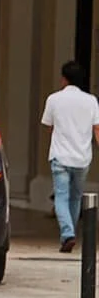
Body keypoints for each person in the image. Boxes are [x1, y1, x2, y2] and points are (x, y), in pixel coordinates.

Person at [41, 60, 99, 253]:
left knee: (61, 196)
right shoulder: (91, 101)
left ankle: (68, 234)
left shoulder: (53, 99)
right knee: (75, 198)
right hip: (82, 157)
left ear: (64, 79)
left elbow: (49, 126)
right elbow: (97, 129)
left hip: (60, 156)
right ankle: (69, 233)